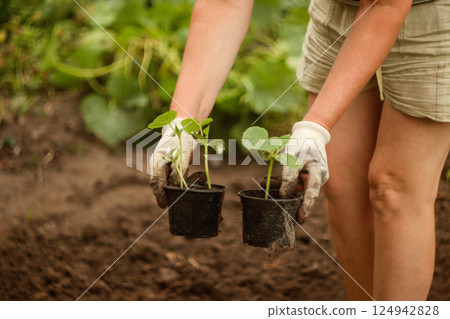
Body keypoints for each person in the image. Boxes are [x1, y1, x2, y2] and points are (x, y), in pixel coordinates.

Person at [149, 0, 450, 300]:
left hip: (431, 15)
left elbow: (386, 5)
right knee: (342, 183)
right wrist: (182, 123)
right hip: (338, 9)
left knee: (392, 187)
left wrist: (315, 127)